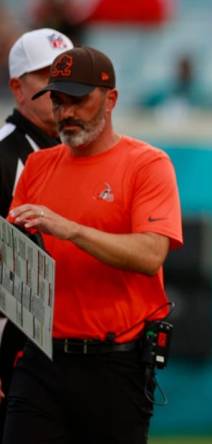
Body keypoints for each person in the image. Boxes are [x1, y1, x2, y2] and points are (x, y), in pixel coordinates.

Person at [4, 46, 183, 443]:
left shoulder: (147, 165)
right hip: (40, 361)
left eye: (78, 100)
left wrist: (72, 230)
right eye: (58, 100)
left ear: (111, 98)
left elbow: (151, 253)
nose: (66, 112)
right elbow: (14, 266)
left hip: (115, 364)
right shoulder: (37, 167)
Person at [0, 27, 73, 440]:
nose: (58, 87)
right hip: (15, 355)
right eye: (46, 75)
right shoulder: (6, 157)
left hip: (79, 354)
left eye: (66, 73)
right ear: (17, 87)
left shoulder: (84, 154)